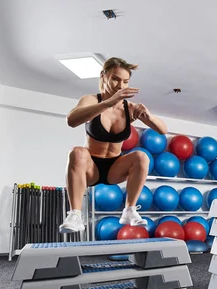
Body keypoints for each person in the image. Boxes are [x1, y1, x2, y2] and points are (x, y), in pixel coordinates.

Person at [59, 57, 167, 234]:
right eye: (115, 79)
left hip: (115, 170)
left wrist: (148, 116)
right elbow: (71, 120)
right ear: (104, 76)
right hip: (90, 169)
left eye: (125, 81)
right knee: (77, 152)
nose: (120, 85)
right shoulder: (91, 100)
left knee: (141, 156)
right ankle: (75, 215)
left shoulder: (129, 108)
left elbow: (162, 130)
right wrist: (108, 102)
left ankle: (129, 210)